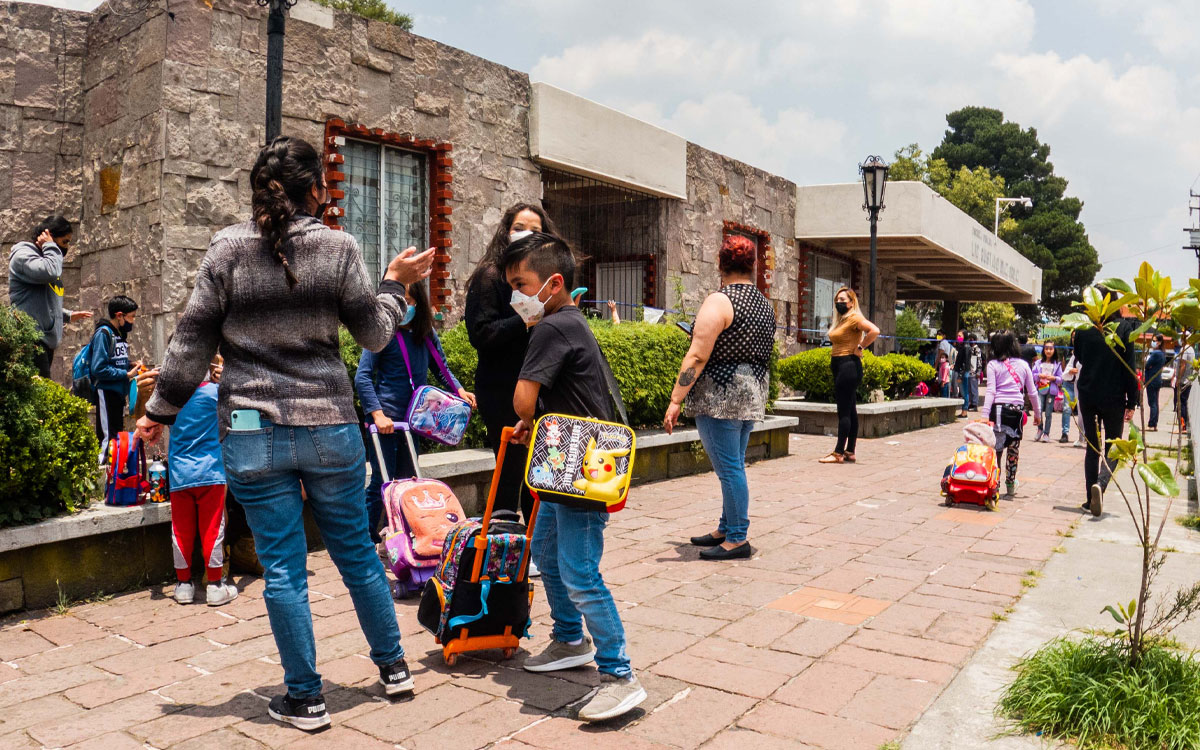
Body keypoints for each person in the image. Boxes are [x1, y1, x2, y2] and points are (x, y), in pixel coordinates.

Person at [136, 136, 435, 731]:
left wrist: (159, 411)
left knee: (282, 568)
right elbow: (376, 336)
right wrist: (395, 284)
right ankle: (395, 670)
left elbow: (191, 340)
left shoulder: (226, 249)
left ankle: (306, 697)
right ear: (317, 192)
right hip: (328, 424)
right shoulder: (340, 247)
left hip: (251, 426)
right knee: (355, 551)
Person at [505, 231, 646, 722]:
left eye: (521, 284)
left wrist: (528, 414)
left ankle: (620, 675)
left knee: (581, 573)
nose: (515, 296)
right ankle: (569, 639)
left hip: (580, 466)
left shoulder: (550, 327)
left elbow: (523, 400)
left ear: (554, 282)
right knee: (545, 550)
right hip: (569, 459)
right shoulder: (569, 321)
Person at [662, 234, 776, 560]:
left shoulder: (719, 301)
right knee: (734, 464)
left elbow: (697, 356)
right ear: (753, 266)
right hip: (751, 394)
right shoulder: (763, 305)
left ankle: (737, 537)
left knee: (729, 469)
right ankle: (726, 527)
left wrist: (675, 401)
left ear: (721, 264)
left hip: (719, 396)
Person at [355, 280, 475, 544]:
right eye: (400, 302)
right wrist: (377, 414)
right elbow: (363, 377)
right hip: (385, 421)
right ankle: (364, 540)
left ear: (419, 303)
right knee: (381, 483)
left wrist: (459, 390)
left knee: (408, 483)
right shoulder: (382, 334)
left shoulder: (425, 334)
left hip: (414, 422)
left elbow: (441, 369)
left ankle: (395, 536)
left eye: (408, 302)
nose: (404, 308)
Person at [464, 204, 557, 525]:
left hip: (540, 384)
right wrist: (524, 320)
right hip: (502, 387)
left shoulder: (545, 280)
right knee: (511, 466)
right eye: (519, 227)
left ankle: (538, 541)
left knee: (540, 468)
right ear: (506, 231)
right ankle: (505, 548)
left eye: (535, 228)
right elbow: (480, 334)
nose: (526, 234)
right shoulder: (490, 275)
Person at [168, 354, 238, 607]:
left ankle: (184, 585)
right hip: (211, 471)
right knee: (213, 529)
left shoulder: (170, 397)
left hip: (179, 473)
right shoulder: (216, 393)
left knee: (181, 530)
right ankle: (216, 586)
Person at [1074, 292, 1138, 516]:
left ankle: (1089, 498)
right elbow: (1129, 366)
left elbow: (1079, 357)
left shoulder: (1084, 326)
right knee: (1114, 447)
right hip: (1114, 396)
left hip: (1088, 393)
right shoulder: (1123, 328)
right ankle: (1100, 485)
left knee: (1092, 447)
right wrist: (1133, 400)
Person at [7, 215, 92, 378]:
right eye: (64, 242)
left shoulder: (47, 258)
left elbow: (44, 300)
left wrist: (66, 315)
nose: (66, 248)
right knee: (39, 397)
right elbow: (49, 272)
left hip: (45, 342)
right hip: (30, 340)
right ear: (48, 237)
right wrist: (51, 247)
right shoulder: (23, 255)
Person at [819, 287, 880, 464]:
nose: (839, 303)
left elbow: (874, 330)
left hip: (848, 365)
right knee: (851, 410)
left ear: (852, 303)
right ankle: (850, 451)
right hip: (840, 365)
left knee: (843, 410)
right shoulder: (841, 320)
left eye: (843, 300)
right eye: (837, 300)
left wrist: (860, 347)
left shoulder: (854, 317)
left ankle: (838, 452)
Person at [982, 331, 1042, 497]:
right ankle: (1010, 484)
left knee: (997, 450)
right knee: (1013, 450)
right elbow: (1032, 393)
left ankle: (995, 484)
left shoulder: (993, 365)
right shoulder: (1024, 365)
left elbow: (991, 391)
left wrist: (985, 415)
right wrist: (1038, 414)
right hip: (1016, 411)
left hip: (999, 411)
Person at [90, 295, 141, 462]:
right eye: (131, 317)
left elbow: (115, 362)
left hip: (118, 393)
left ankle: (116, 477)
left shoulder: (119, 334)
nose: (132, 321)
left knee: (116, 436)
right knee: (107, 439)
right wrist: (125, 374)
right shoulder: (103, 334)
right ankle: (102, 476)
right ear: (119, 315)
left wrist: (129, 365)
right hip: (106, 391)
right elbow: (98, 368)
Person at [1033, 341, 1064, 443]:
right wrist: (1039, 376)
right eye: (1046, 348)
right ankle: (1040, 429)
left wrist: (1054, 378)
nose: (1048, 351)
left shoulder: (1057, 364)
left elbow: (1061, 378)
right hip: (1041, 389)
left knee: (1048, 413)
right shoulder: (1038, 363)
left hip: (1051, 391)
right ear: (1043, 350)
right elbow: (1033, 375)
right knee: (1039, 409)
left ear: (1054, 350)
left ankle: (1046, 433)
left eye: (1051, 348)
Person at [1144, 333, 1166, 432]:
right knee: (1155, 403)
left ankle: (1151, 424)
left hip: (1152, 380)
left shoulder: (1156, 353)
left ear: (1159, 342)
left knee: (1152, 403)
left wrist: (1147, 365)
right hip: (1157, 380)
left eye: (1155, 340)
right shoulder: (1162, 353)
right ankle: (1154, 423)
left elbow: (1147, 365)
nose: (1153, 342)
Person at [1062, 336, 1081, 446]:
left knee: (1083, 412)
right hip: (1069, 384)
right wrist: (1070, 371)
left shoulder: (1087, 350)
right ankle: (1065, 433)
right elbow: (1065, 368)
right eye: (1073, 337)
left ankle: (1083, 436)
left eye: (1076, 337)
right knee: (1066, 409)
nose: (1075, 339)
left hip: (1082, 385)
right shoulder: (1068, 351)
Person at [1175, 339, 1195, 433]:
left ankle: (1182, 426)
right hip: (1188, 380)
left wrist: (1178, 379)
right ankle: (1184, 426)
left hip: (1183, 381)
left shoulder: (1184, 349)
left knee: (1180, 403)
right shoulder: (1191, 349)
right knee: (1184, 402)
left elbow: (1183, 365)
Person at [954, 329, 972, 417]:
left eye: (960, 336)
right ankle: (963, 411)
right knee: (963, 392)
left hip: (963, 373)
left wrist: (960, 375)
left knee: (964, 393)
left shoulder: (966, 347)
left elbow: (965, 363)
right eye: (958, 336)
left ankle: (965, 412)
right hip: (961, 372)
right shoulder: (962, 347)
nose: (958, 338)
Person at [969, 338, 983, 410]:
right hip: (969, 371)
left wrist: (978, 371)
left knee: (974, 389)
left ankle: (974, 404)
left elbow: (979, 360)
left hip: (974, 372)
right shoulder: (969, 348)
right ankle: (971, 403)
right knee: (970, 389)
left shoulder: (977, 349)